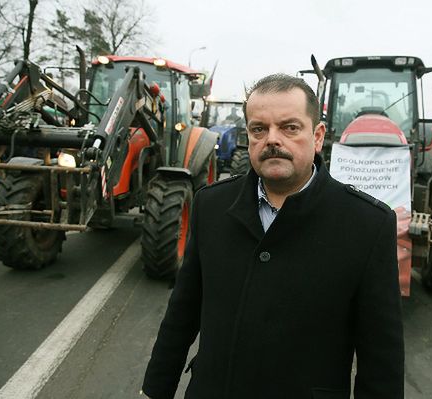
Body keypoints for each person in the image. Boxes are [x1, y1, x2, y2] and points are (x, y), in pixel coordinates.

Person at [142, 74, 404, 399]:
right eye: (259, 129)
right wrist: (154, 391)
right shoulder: (211, 206)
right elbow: (181, 316)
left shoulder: (367, 224)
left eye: (290, 127)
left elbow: (382, 360)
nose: (272, 140)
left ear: (318, 135)